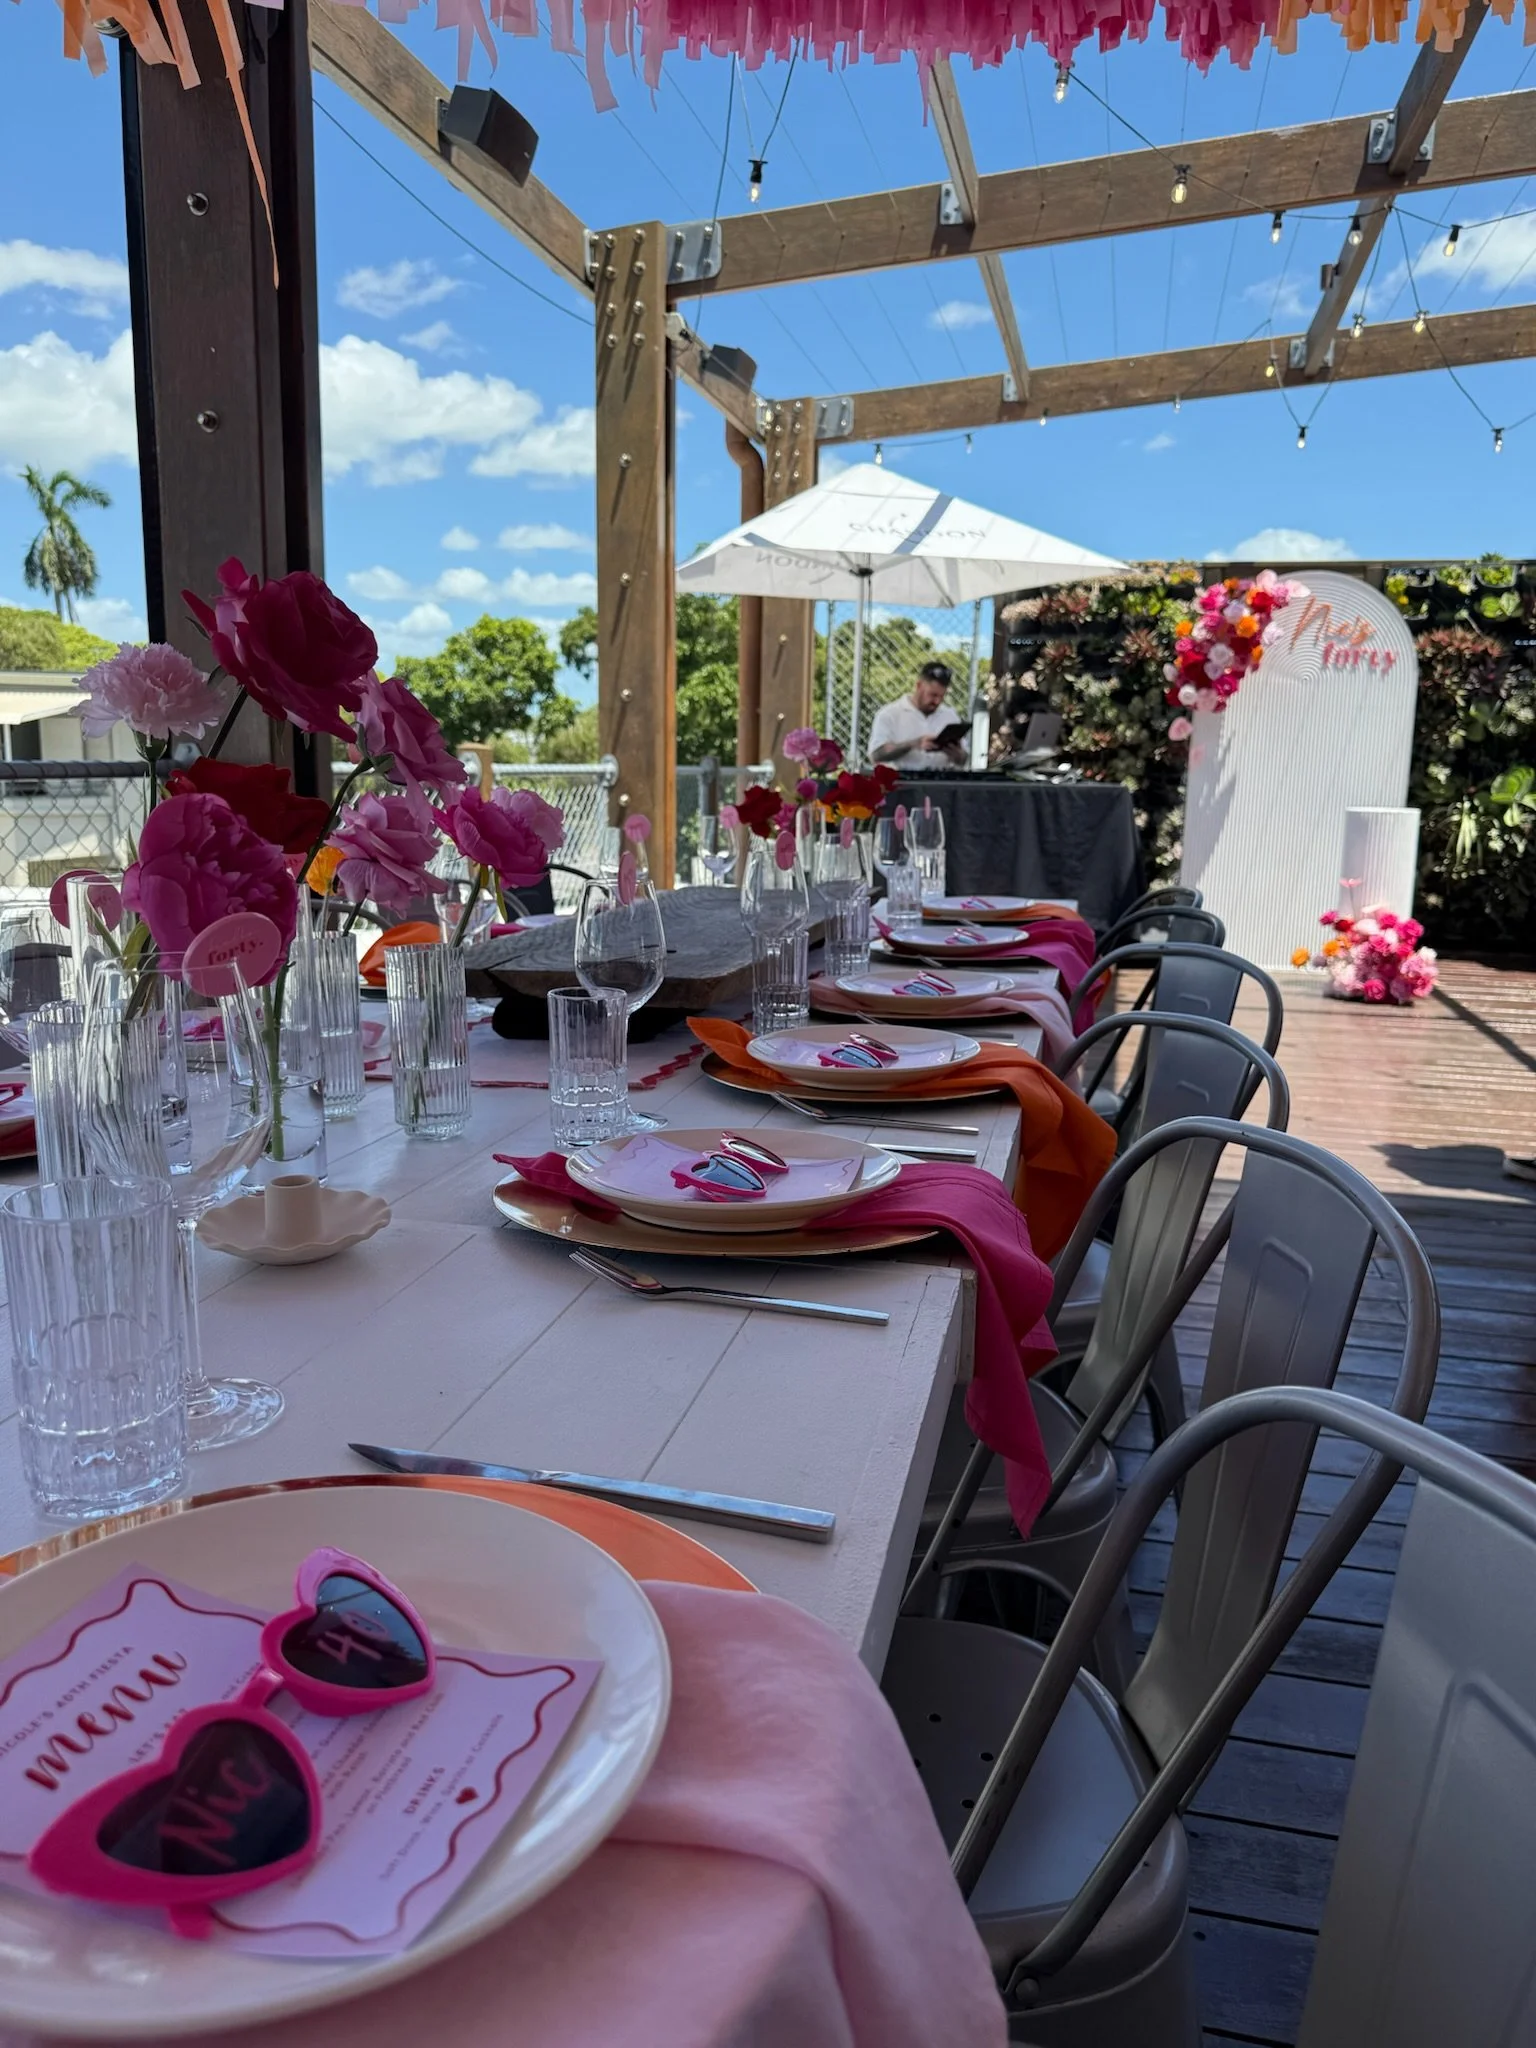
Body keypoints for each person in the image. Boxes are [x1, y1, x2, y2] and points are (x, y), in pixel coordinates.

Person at [867, 661, 969, 771]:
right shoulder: (890, 714)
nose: (937, 701)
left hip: (942, 777)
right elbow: (876, 755)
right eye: (933, 695)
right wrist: (914, 744)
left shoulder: (950, 715)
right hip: (901, 777)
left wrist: (957, 755)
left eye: (942, 696)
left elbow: (964, 758)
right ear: (918, 686)